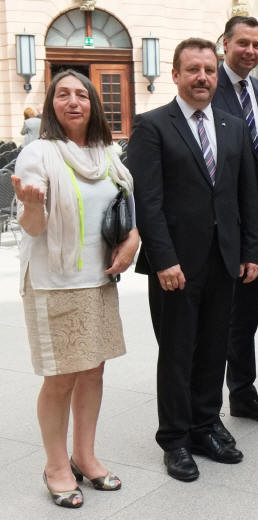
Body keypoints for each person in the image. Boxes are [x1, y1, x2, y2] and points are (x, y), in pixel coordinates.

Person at [127, 38, 258, 482]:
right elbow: (147, 202)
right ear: (176, 75)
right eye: (193, 70)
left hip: (224, 261)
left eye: (208, 70)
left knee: (213, 349)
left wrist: (251, 252)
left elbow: (246, 196)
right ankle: (176, 439)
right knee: (178, 352)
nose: (202, 77)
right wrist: (163, 259)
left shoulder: (231, 125)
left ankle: (206, 425)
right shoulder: (152, 126)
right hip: (175, 268)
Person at [12, 70, 139, 508]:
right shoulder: (39, 154)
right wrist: (30, 208)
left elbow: (126, 209)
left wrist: (133, 240)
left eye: (81, 94)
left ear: (93, 104)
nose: (73, 101)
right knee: (61, 377)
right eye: (62, 94)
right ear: (52, 105)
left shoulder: (108, 154)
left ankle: (84, 455)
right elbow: (32, 226)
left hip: (99, 279)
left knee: (93, 371)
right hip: (55, 283)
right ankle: (55, 465)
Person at [211, 15, 258, 426]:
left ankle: (242, 393)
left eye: (257, 45)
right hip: (219, 225)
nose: (251, 52)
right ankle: (204, 404)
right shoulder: (207, 86)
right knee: (217, 317)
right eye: (243, 43)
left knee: (246, 317)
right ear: (225, 43)